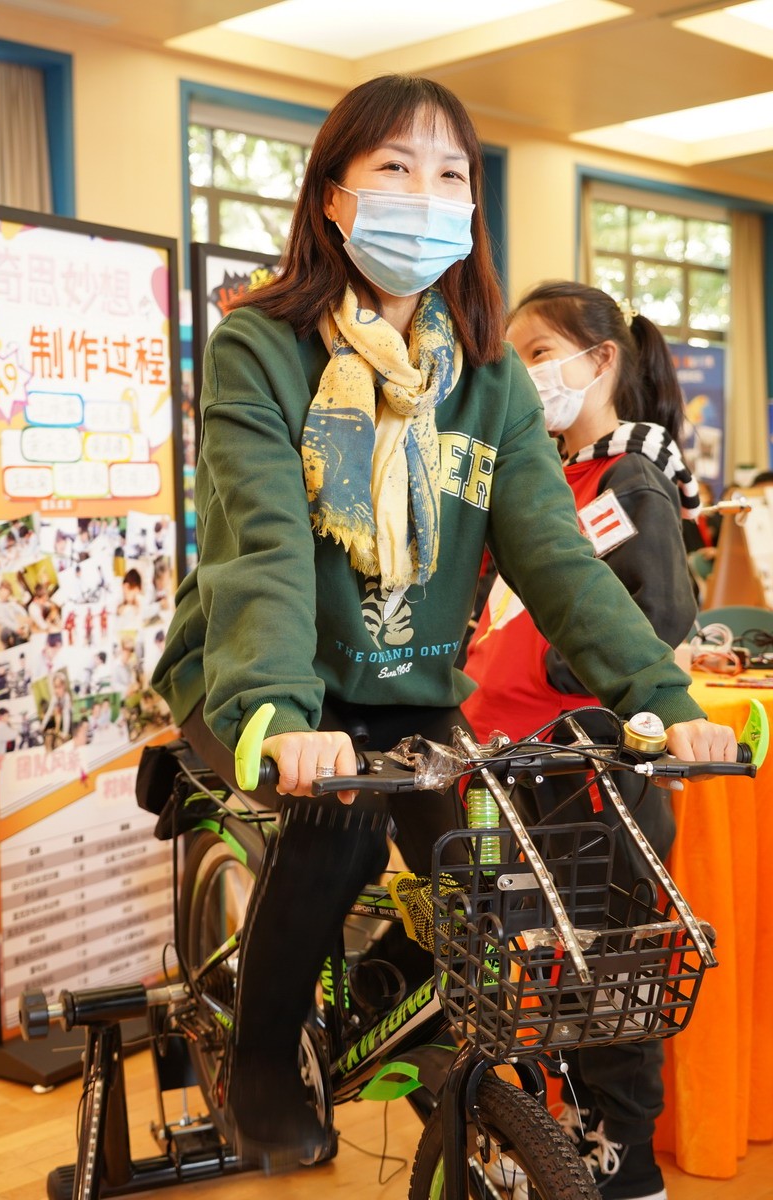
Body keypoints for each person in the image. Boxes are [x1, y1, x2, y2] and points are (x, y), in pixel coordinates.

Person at [151, 74, 735, 1181]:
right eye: (394, 168)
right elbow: (265, 549)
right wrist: (279, 711)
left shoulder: (488, 379)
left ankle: (414, 1048)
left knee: (483, 884)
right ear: (332, 196)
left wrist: (660, 698)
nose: (426, 194)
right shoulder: (258, 348)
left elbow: (556, 559)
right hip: (257, 675)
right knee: (336, 824)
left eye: (450, 173)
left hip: (404, 692)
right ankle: (264, 1056)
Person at [462, 280, 703, 1200]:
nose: (522, 373)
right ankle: (549, 1142)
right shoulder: (549, 474)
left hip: (589, 778)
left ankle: (623, 1165)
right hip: (512, 771)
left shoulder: (627, 478)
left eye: (538, 353)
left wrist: (558, 673)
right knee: (533, 970)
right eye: (513, 355)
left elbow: (656, 616)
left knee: (612, 976)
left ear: (600, 361)